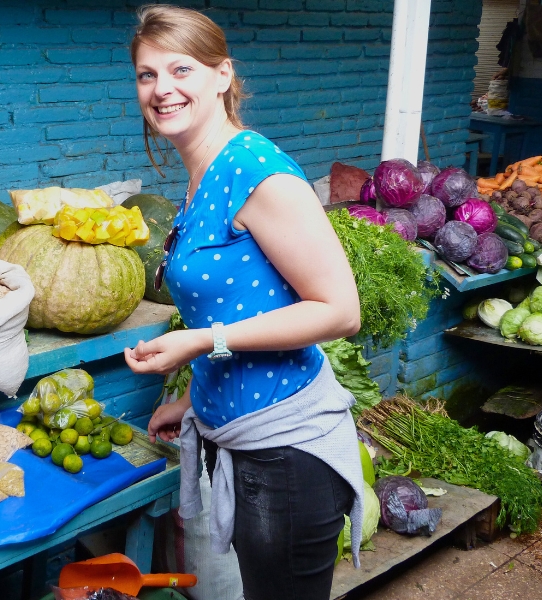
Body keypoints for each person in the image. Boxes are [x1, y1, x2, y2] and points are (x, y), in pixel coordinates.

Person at [123, 5, 365, 600]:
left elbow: (340, 311)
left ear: (222, 75)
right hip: (245, 442)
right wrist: (191, 395)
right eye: (147, 75)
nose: (162, 89)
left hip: (287, 456)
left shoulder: (255, 172)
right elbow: (231, 303)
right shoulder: (201, 175)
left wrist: (201, 344)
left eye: (181, 69)